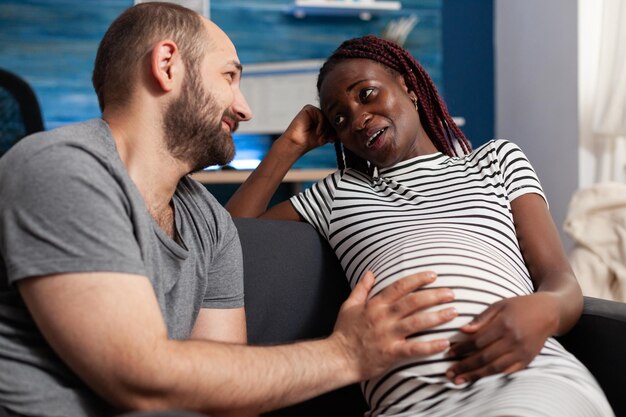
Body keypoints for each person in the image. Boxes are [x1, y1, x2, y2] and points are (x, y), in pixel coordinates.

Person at [0, 5, 459, 417]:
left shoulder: (208, 221)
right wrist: (345, 354)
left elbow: (226, 399)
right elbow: (136, 378)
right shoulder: (60, 168)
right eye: (230, 77)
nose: (244, 109)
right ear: (166, 65)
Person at [226, 35, 615, 416]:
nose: (358, 119)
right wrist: (288, 146)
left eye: (367, 94)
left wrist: (541, 310)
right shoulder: (338, 192)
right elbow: (227, 239)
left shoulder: (495, 161)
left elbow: (561, 281)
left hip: (522, 376)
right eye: (340, 118)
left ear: (409, 87)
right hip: (409, 403)